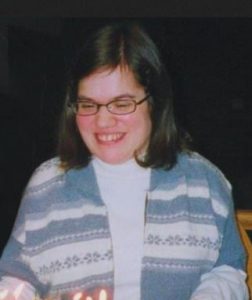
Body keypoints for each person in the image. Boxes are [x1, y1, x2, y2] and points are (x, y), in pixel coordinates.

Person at [0, 20, 249, 300]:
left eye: (121, 104)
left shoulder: (205, 183)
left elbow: (227, 269)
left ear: (155, 102)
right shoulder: (47, 186)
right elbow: (15, 277)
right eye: (88, 104)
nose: (103, 121)